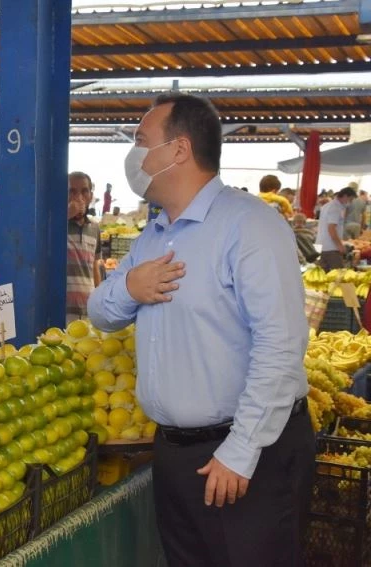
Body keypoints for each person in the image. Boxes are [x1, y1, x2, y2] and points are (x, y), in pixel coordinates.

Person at [87, 93, 313, 567]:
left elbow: (280, 345)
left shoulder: (250, 226)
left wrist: (241, 450)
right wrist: (130, 284)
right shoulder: (154, 236)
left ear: (179, 151)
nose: (134, 154)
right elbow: (102, 313)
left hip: (247, 454)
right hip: (174, 451)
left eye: (140, 140)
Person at [67, 171, 102, 325]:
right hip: (61, 309)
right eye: (72, 191)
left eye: (84, 191)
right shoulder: (54, 223)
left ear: (90, 196)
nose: (78, 196)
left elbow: (95, 264)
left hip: (87, 309)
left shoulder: (94, 228)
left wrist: (99, 298)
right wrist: (66, 215)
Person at [316, 186, 357, 271]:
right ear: (345, 196)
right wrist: (340, 245)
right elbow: (331, 229)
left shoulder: (328, 205)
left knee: (322, 275)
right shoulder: (335, 208)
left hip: (321, 245)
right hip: (330, 247)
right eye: (350, 199)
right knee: (338, 275)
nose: (350, 202)